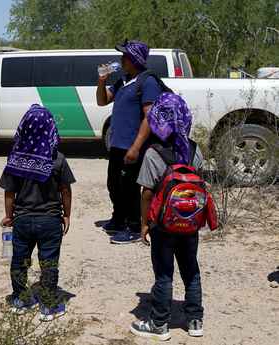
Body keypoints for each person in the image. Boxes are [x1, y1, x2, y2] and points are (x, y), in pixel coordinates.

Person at [130, 93, 208, 341]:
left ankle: (159, 324)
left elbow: (146, 193)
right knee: (191, 271)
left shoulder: (154, 153)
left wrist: (144, 223)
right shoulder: (195, 150)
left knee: (164, 274)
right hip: (190, 223)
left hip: (163, 226)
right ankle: (195, 321)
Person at [0, 104, 76, 322]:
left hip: (22, 220)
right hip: (50, 221)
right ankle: (49, 306)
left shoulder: (15, 158)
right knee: (49, 262)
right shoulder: (57, 159)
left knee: (20, 260)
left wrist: (9, 215)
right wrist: (67, 215)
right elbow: (66, 190)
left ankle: (21, 300)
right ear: (50, 129)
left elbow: (9, 191)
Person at [96, 40, 163, 244]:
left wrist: (136, 147)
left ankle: (134, 227)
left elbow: (149, 118)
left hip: (134, 147)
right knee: (114, 184)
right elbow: (102, 101)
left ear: (134, 59)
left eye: (124, 56)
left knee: (129, 188)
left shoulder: (147, 82)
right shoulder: (124, 81)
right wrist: (101, 81)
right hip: (117, 145)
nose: (121, 59)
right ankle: (118, 219)